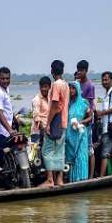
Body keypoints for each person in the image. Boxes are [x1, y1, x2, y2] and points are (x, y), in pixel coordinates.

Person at [40, 60, 70, 188]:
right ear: (62, 71)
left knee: (47, 151)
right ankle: (60, 179)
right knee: (59, 151)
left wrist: (47, 124)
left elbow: (55, 106)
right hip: (64, 122)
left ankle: (50, 179)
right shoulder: (66, 85)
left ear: (52, 71)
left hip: (55, 122)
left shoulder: (56, 85)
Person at [94, 71, 112, 176]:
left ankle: (101, 177)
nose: (104, 82)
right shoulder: (107, 94)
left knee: (104, 154)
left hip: (111, 127)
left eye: (106, 80)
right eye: (103, 80)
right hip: (107, 127)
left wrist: (103, 112)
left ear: (111, 80)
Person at [65, 81, 92, 182]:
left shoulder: (84, 103)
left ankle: (82, 178)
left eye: (73, 88)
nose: (71, 90)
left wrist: (81, 121)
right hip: (70, 135)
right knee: (73, 158)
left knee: (81, 157)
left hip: (80, 134)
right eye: (70, 88)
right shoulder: (68, 104)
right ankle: (74, 180)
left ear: (77, 89)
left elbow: (90, 117)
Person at [76, 60, 96, 177]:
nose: (79, 72)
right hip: (78, 121)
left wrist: (86, 119)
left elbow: (90, 104)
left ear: (86, 71)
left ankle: (91, 175)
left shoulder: (90, 85)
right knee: (80, 148)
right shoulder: (78, 84)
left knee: (89, 149)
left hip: (86, 121)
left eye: (81, 70)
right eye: (78, 70)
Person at [31, 76, 51, 143]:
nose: (43, 89)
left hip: (46, 130)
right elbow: (36, 117)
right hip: (38, 133)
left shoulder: (49, 99)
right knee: (37, 152)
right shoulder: (37, 99)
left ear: (49, 87)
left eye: (45, 87)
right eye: (41, 87)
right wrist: (43, 130)